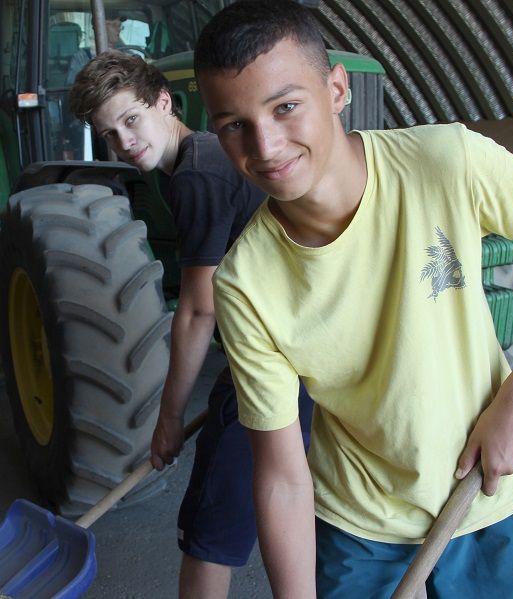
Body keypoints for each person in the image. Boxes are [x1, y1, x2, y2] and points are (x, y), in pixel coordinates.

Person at [193, 1, 513, 597]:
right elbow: (282, 478)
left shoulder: (445, 162)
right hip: (359, 525)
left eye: (286, 106)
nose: (266, 145)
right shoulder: (246, 284)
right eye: (233, 125)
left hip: (493, 495)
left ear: (337, 88)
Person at [68, 52, 312, 598]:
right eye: (110, 134)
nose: (126, 142)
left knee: (209, 532)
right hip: (297, 346)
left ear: (163, 103)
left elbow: (199, 310)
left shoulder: (197, 173)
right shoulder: (203, 156)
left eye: (131, 120)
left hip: (278, 361)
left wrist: (169, 419)